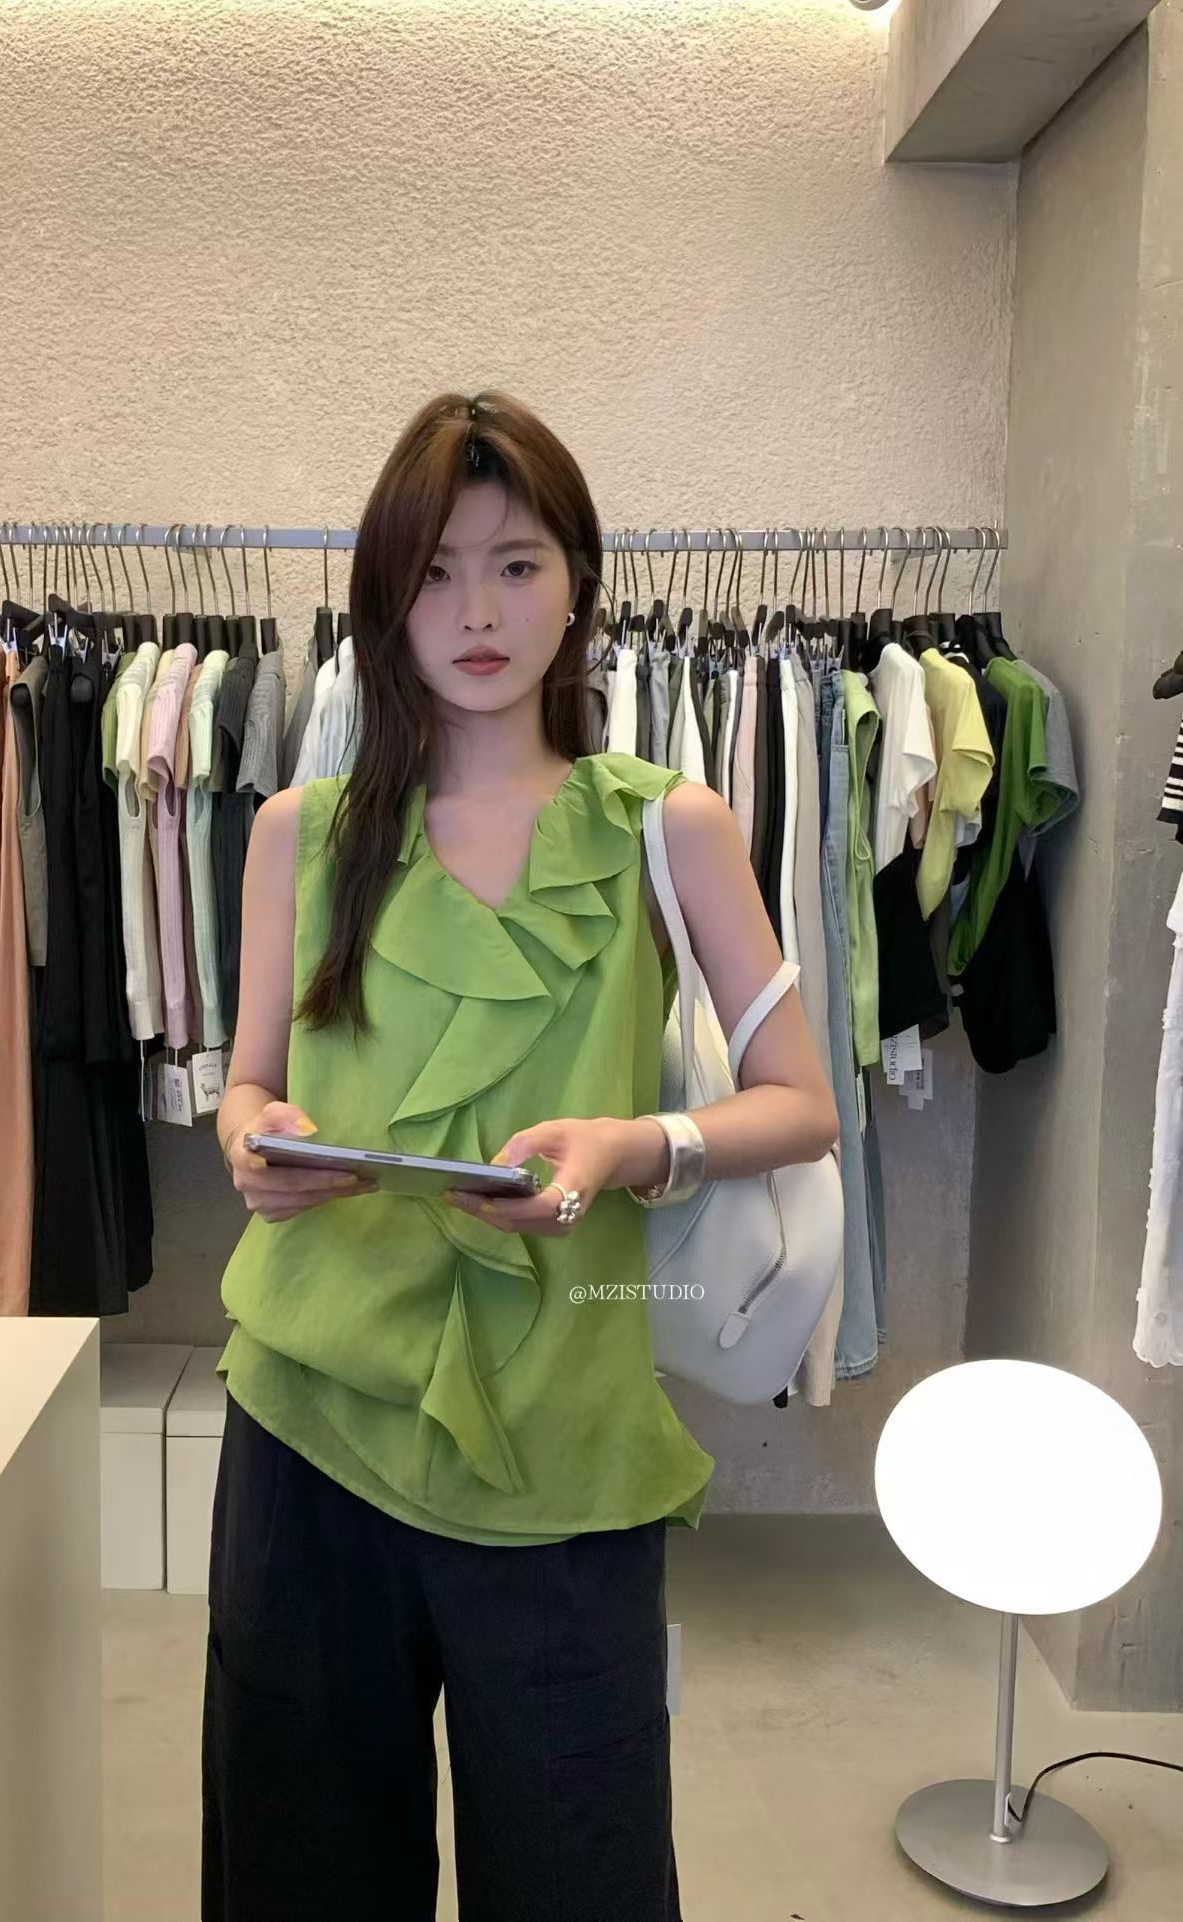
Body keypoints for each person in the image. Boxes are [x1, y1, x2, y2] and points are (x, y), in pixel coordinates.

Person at [204, 390, 838, 1921]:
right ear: (384, 596)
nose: (476, 612)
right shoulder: (303, 830)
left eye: (516, 563)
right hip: (309, 1419)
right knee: (299, 1871)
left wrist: (634, 1143)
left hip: (563, 1432)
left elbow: (802, 1103)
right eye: (433, 571)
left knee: (579, 1873)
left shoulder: (667, 826)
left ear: (578, 582)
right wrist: (253, 1142)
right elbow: (247, 1080)